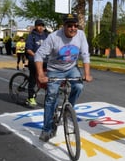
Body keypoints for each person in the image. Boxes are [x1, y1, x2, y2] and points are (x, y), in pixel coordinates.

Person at [35, 13, 93, 142]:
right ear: (64, 26)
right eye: (69, 25)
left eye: (75, 26)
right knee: (51, 95)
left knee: (78, 86)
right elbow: (39, 55)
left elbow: (85, 55)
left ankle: (68, 110)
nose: (73, 28)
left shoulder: (81, 35)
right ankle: (47, 129)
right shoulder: (53, 37)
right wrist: (41, 75)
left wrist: (87, 74)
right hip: (55, 70)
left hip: (71, 68)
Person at [25, 19, 49, 106]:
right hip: (33, 59)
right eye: (39, 25)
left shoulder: (46, 35)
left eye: (42, 25)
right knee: (33, 78)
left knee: (50, 76)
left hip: (45, 60)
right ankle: (30, 97)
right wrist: (36, 56)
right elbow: (28, 49)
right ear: (35, 26)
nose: (41, 27)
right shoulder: (32, 36)